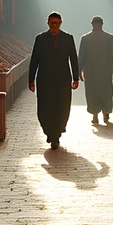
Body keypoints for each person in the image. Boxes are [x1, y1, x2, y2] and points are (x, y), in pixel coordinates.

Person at [28, 12, 79, 149]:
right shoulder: (40, 39)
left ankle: (56, 134)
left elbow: (73, 59)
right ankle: (49, 131)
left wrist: (76, 78)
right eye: (52, 23)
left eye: (57, 23)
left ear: (60, 23)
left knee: (62, 106)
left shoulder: (68, 38)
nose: (54, 25)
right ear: (48, 23)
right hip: (44, 79)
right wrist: (31, 79)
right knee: (44, 107)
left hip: (63, 79)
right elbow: (34, 59)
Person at [78, 15, 113, 124]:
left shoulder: (85, 38)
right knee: (106, 92)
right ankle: (105, 113)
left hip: (91, 72)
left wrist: (79, 71)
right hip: (105, 71)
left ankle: (95, 114)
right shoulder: (108, 37)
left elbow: (81, 56)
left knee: (92, 93)